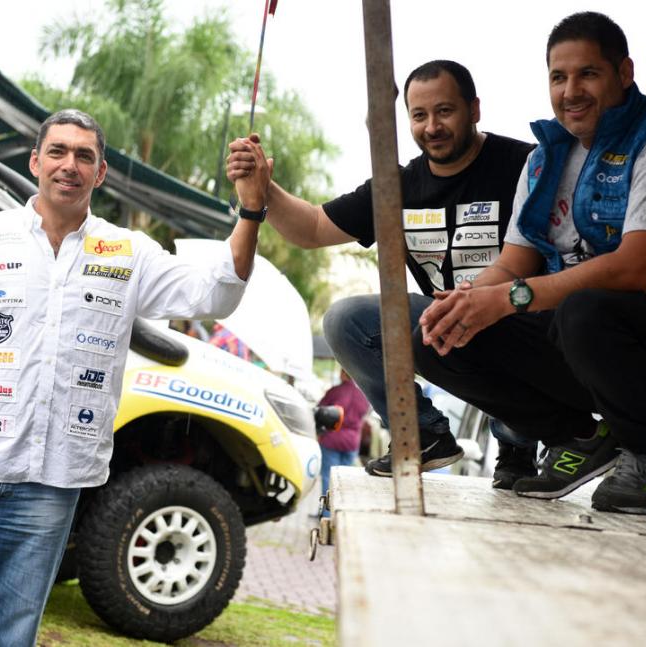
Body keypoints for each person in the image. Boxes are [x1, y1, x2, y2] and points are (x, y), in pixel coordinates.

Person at [0, 109, 262, 647]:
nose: (70, 165)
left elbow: (216, 293)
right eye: (58, 151)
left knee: (10, 639)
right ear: (36, 162)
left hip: (52, 481)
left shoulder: (128, 253)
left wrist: (252, 209)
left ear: (100, 173)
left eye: (84, 156)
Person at [414, 12, 646, 515]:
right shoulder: (544, 158)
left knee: (584, 307)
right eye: (559, 77)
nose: (570, 91)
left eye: (587, 74)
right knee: (433, 336)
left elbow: (632, 269)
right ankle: (579, 438)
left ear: (624, 73)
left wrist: (509, 298)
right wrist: (466, 301)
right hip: (579, 339)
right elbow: (512, 264)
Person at [227, 60, 537, 485]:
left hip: (520, 321)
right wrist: (263, 185)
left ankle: (521, 441)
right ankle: (421, 433)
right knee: (346, 321)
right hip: (443, 326)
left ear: (474, 109)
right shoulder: (399, 187)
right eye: (419, 115)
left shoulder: (524, 165)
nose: (432, 127)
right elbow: (312, 228)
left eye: (445, 111)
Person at [316, 369, 370, 513]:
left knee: (328, 477)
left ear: (344, 374)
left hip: (331, 440)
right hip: (352, 442)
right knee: (344, 481)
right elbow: (365, 413)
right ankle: (339, 512)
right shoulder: (363, 395)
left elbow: (320, 411)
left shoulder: (335, 391)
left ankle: (326, 514)